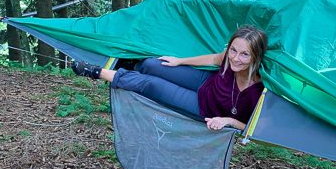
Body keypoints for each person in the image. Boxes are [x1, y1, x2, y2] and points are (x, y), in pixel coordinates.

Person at [71, 25, 267, 131]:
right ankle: (131, 69)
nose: (235, 58)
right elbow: (215, 58)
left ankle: (96, 72)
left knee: (152, 84)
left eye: (244, 55)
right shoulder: (229, 58)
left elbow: (255, 128)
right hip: (206, 83)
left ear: (256, 57)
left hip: (203, 106)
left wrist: (228, 121)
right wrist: (180, 61)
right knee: (153, 64)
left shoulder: (260, 90)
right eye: (233, 50)